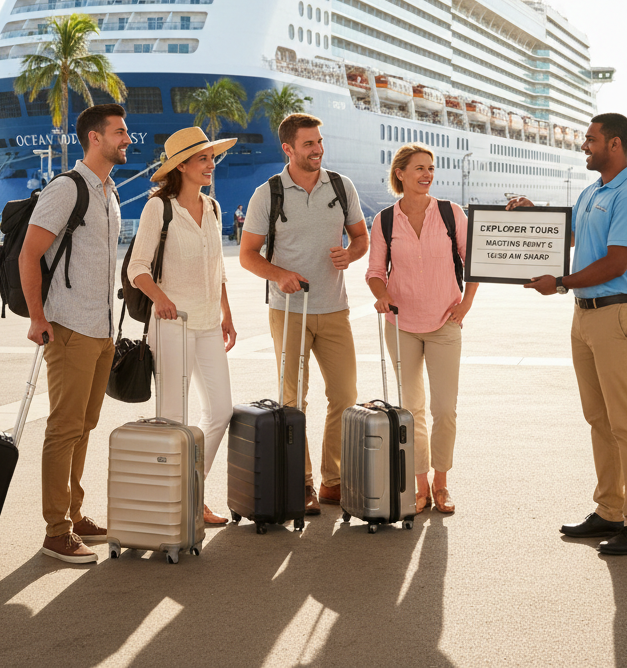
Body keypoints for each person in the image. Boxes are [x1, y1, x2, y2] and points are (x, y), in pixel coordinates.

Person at [514, 112, 627, 556]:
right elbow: (572, 235)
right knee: (599, 419)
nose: (584, 146)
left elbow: (616, 262)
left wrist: (558, 283)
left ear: (615, 145)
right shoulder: (593, 191)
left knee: (626, 421)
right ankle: (610, 510)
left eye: (591, 140)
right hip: (585, 317)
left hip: (617, 315)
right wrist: (535, 219)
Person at [240, 113, 369, 514]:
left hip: (334, 309)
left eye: (319, 141)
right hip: (289, 311)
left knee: (345, 397)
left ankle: (332, 481)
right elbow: (247, 255)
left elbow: (361, 237)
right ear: (289, 148)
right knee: (293, 401)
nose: (318, 149)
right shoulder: (269, 193)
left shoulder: (341, 186)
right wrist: (278, 275)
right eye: (309, 144)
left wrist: (351, 253)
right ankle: (302, 483)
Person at [19, 103, 129, 564]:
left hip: (100, 329)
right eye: (120, 132)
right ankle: (56, 530)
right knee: (64, 428)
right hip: (69, 328)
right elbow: (30, 255)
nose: (128, 138)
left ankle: (75, 513)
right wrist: (38, 318)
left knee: (84, 426)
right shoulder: (69, 188)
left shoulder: (108, 190)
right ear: (94, 138)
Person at [127, 126, 238, 526]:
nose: (211, 165)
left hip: (209, 323)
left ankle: (192, 488)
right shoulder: (160, 207)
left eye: (212, 158)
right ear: (182, 166)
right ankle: (172, 503)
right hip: (172, 326)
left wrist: (227, 314)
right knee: (174, 416)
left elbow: (218, 269)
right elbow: (137, 267)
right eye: (203, 159)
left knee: (221, 410)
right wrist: (162, 299)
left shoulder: (213, 207)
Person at [366, 144, 478, 514]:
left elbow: (472, 262)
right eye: (419, 168)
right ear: (400, 173)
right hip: (401, 325)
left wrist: (465, 304)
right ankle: (420, 487)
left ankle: (442, 483)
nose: (427, 174)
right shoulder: (384, 220)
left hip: (445, 321)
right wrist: (381, 295)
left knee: (445, 409)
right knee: (410, 410)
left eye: (430, 168)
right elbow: (375, 272)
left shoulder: (450, 213)